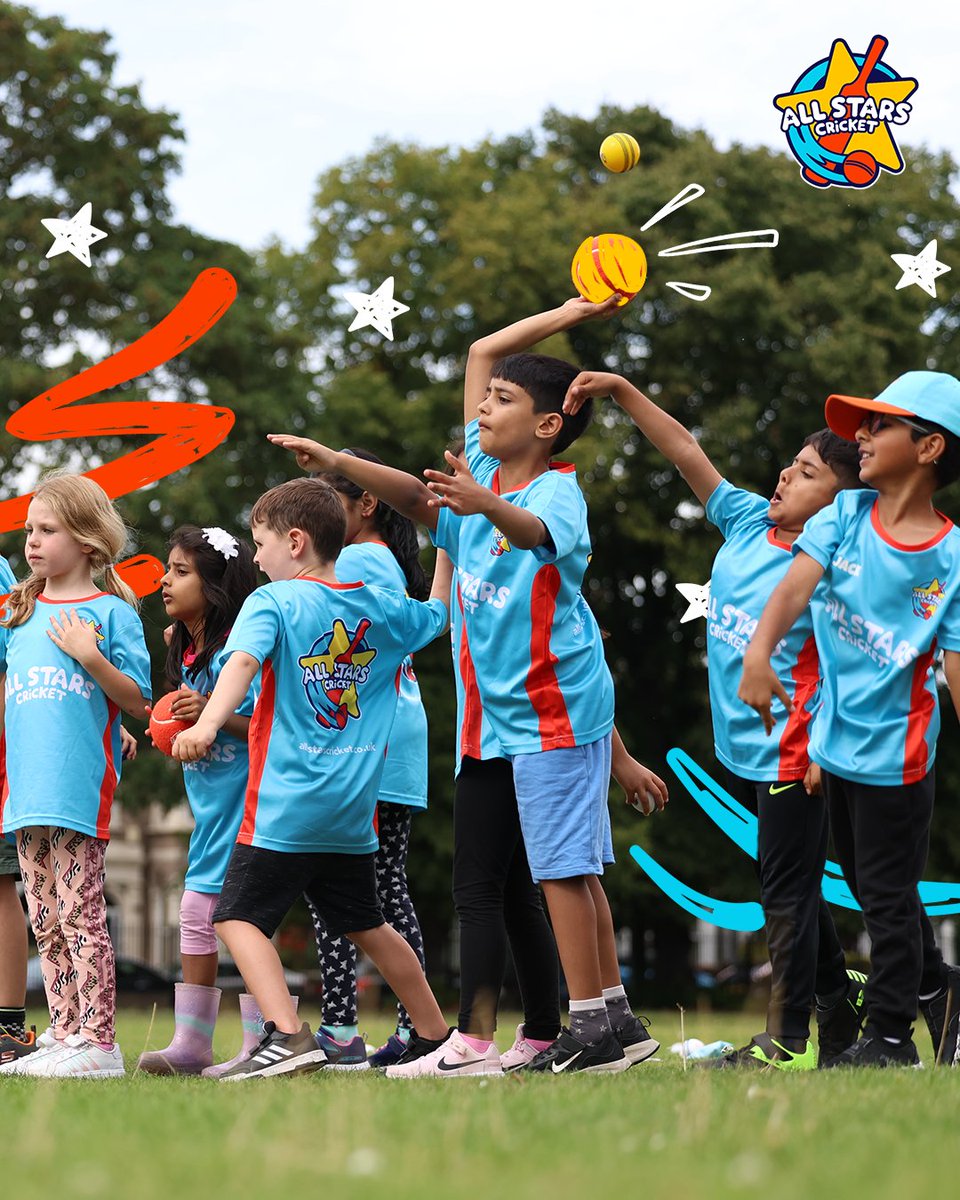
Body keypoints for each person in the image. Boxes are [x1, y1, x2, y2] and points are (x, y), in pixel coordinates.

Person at [270, 297, 666, 1077]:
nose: (484, 406)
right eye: (484, 400)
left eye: (504, 401)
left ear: (548, 426)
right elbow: (476, 362)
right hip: (497, 718)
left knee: (561, 871)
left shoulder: (554, 493)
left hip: (554, 710)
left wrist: (486, 505)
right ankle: (606, 1021)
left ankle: (589, 1028)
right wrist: (339, 464)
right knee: (549, 871)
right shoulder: (478, 473)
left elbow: (533, 536)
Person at [563, 369, 870, 1069]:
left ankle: (788, 1039)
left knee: (784, 889)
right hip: (749, 747)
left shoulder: (832, 564)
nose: (785, 477)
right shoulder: (746, 520)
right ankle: (839, 999)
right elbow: (683, 450)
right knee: (785, 877)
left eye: (808, 474)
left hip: (798, 746)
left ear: (842, 504)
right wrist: (619, 390)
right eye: (790, 465)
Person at [172, 477, 453, 1079]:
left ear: (294, 542)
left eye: (260, 542)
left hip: (286, 803)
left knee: (233, 916)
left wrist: (206, 725)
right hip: (353, 809)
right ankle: (434, 1034)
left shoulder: (271, 603)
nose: (255, 557)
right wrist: (450, 541)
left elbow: (242, 664)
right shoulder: (379, 606)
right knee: (366, 922)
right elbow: (437, 615)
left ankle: (287, 1037)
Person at [740, 371, 960, 1067]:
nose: (859, 435)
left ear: (929, 449)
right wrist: (758, 654)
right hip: (834, 748)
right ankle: (945, 993)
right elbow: (793, 591)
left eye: (879, 425)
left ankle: (890, 1038)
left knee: (887, 898)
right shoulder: (842, 517)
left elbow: (955, 671)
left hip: (900, 755)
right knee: (869, 889)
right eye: (860, 424)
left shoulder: (952, 558)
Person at [0, 474, 151, 1078]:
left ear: (87, 541)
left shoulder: (111, 612)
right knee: (45, 917)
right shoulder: (17, 611)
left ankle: (99, 1040)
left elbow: (139, 698)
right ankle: (65, 1032)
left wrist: (90, 658)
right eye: (29, 530)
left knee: (81, 913)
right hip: (23, 791)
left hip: (76, 792)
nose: (32, 542)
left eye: (47, 530)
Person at [304, 450, 433, 1070]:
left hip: (365, 749)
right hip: (393, 747)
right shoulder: (381, 562)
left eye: (332, 505)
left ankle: (345, 1027)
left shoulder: (356, 560)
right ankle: (411, 1026)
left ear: (367, 504)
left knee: (344, 889)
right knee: (384, 889)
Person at [136, 526, 259, 1077]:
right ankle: (195, 1043)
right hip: (211, 807)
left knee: (243, 918)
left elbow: (263, 725)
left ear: (215, 587)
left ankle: (262, 1038)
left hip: (251, 804)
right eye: (168, 568)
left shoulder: (240, 650)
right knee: (197, 912)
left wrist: (209, 714)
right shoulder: (185, 650)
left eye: (181, 572)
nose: (164, 579)